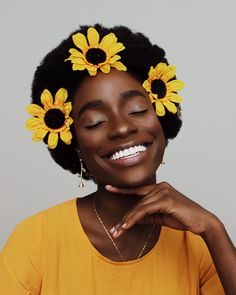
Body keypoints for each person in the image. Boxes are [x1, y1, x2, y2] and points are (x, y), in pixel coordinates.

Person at [0, 24, 235, 295]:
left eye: (137, 110)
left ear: (161, 120)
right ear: (76, 145)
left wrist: (213, 229)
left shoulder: (199, 243)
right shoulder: (36, 240)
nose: (122, 128)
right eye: (95, 122)